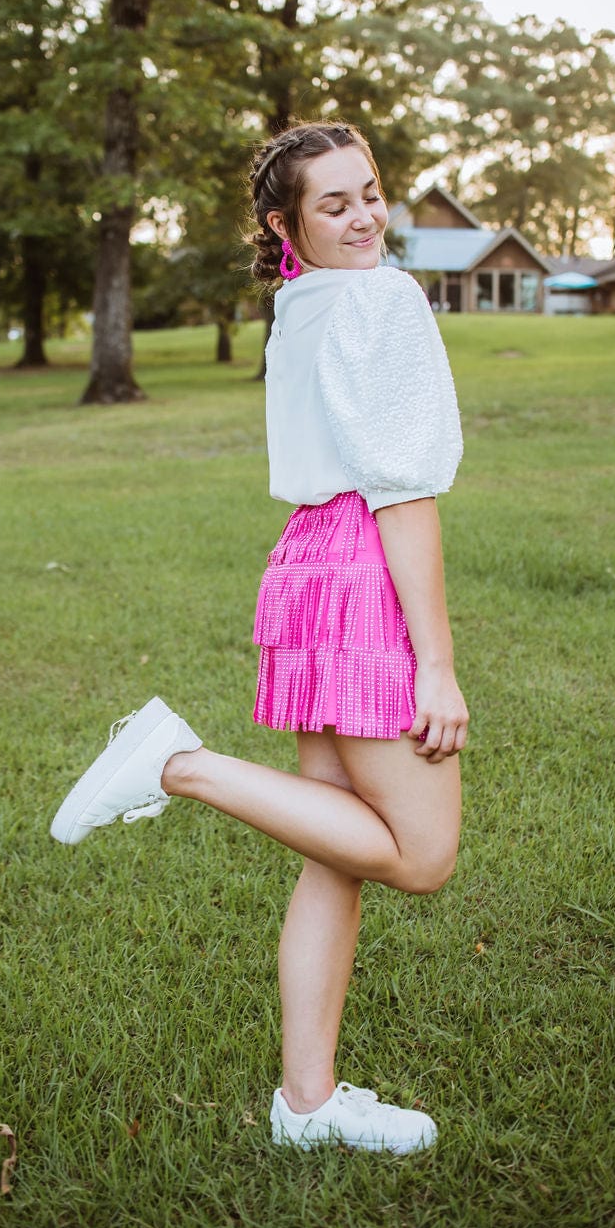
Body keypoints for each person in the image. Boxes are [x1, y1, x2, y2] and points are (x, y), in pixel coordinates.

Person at [51, 121, 468, 1155]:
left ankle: (307, 1103)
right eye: (334, 204)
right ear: (286, 225)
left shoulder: (302, 301)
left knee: (334, 853)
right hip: (361, 570)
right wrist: (440, 667)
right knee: (420, 855)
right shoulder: (381, 298)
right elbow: (403, 491)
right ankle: (179, 765)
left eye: (370, 191)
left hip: (305, 564)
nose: (365, 215)